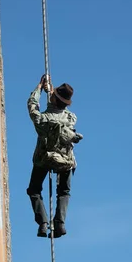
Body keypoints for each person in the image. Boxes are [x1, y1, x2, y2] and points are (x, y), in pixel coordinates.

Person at [27, 74, 83, 238]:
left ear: (53, 99)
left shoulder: (42, 119)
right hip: (66, 160)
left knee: (34, 190)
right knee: (64, 192)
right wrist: (51, 91)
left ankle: (43, 222)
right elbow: (59, 109)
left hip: (44, 158)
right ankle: (60, 223)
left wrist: (38, 88)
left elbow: (32, 105)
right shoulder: (71, 118)